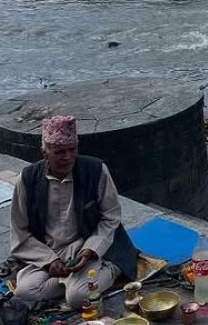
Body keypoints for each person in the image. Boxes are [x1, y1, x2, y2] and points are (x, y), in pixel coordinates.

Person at [10, 116, 138, 309]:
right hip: (51, 250)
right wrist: (49, 261)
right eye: (60, 152)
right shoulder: (27, 180)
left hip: (87, 246)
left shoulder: (95, 170)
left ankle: (112, 267)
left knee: (77, 298)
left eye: (72, 150)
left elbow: (110, 217)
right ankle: (73, 282)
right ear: (45, 153)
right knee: (24, 291)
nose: (67, 157)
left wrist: (89, 251)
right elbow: (20, 232)